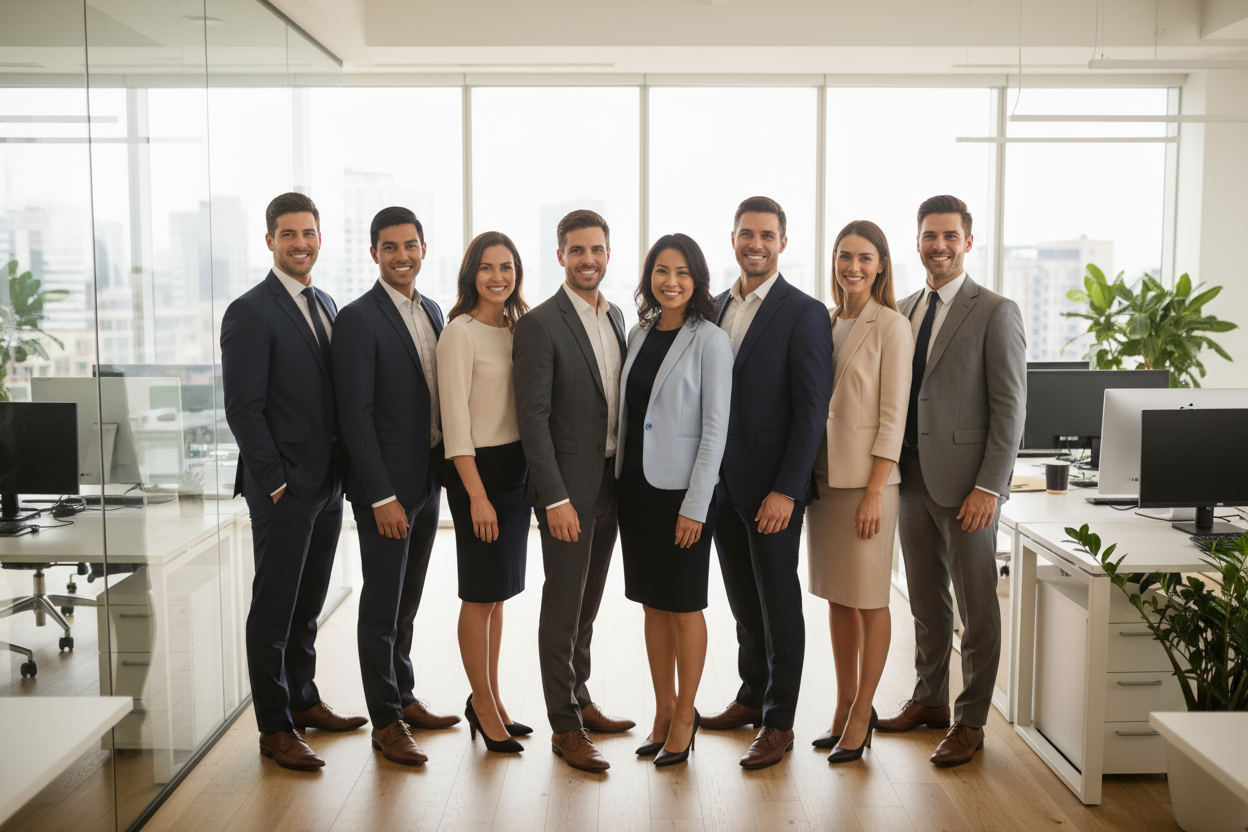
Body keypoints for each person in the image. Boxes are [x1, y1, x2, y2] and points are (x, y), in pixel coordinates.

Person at [877, 195, 1026, 767]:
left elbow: (1010, 408)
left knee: (978, 606)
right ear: (916, 241)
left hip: (968, 488)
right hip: (911, 477)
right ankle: (929, 699)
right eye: (929, 236)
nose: (938, 246)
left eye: (949, 236)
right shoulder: (906, 307)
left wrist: (991, 486)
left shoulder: (995, 310)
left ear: (968, 240)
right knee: (925, 602)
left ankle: (970, 720)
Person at [222, 192, 367, 771]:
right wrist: (277, 483)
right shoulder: (250, 311)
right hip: (285, 488)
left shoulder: (325, 301)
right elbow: (243, 409)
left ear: (319, 238)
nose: (300, 243)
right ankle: (274, 725)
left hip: (328, 482)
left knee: (309, 602)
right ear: (269, 242)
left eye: (308, 233)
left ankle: (303, 701)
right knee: (275, 607)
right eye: (289, 235)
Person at [701, 196, 835, 770]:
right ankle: (751, 696)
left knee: (779, 605)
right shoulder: (710, 308)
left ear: (784, 242)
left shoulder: (803, 312)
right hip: (719, 486)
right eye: (746, 234)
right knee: (742, 603)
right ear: (732, 238)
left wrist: (788, 488)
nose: (756, 244)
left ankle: (779, 722)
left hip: (772, 491)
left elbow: (811, 411)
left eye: (767, 235)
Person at [332, 206, 460, 767]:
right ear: (374, 253)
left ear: (423, 249)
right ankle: (385, 720)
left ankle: (404, 697)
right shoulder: (359, 319)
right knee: (382, 607)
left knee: (407, 602)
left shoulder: (431, 310)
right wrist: (380, 496)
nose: (402, 256)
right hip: (386, 490)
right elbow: (354, 416)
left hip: (427, 478)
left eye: (410, 245)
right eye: (390, 247)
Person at [513, 209, 636, 773]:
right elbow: (532, 420)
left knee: (587, 605)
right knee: (562, 607)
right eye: (578, 250)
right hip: (568, 493)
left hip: (611, 486)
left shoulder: (616, 318)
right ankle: (564, 726)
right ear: (560, 255)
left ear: (608, 254)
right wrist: (554, 498)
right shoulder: (541, 323)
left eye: (598, 249)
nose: (589, 259)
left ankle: (581, 700)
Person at [617, 234, 732, 768]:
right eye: (661, 271)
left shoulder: (709, 339)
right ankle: (662, 711)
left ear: (698, 279)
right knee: (652, 604)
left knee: (685, 605)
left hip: (682, 495)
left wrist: (696, 504)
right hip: (636, 489)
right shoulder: (639, 333)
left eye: (682, 272)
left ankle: (687, 714)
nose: (671, 281)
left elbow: (715, 431)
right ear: (649, 278)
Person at [805, 220, 912, 763]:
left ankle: (862, 713)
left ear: (881, 265)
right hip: (823, 480)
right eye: (845, 256)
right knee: (838, 599)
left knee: (870, 600)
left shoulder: (891, 325)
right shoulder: (824, 322)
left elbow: (894, 418)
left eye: (864, 258)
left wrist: (875, 491)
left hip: (867, 484)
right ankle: (845, 703)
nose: (853, 266)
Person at [437, 231, 532, 755]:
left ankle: (490, 700)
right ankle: (483, 703)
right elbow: (455, 424)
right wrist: (476, 496)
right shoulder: (460, 333)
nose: (498, 276)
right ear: (471, 273)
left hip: (515, 470)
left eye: (507, 267)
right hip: (477, 471)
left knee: (498, 593)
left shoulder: (518, 329)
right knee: (478, 593)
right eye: (487, 267)